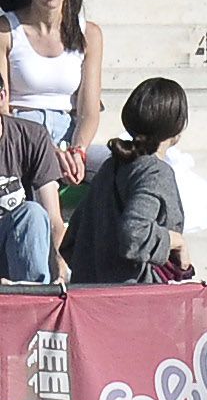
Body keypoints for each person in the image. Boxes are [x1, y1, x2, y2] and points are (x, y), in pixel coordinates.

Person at [59, 77, 188, 284]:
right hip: (132, 303)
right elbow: (134, 234)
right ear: (178, 126)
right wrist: (176, 242)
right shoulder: (155, 172)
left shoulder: (111, 167)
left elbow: (71, 242)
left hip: (89, 297)